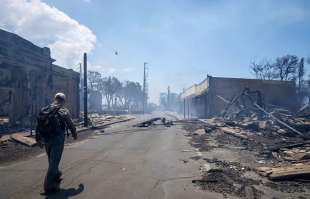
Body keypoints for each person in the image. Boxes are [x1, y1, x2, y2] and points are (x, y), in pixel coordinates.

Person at [36, 93, 77, 195]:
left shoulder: (45, 109)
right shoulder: (64, 110)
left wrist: (38, 139)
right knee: (54, 163)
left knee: (52, 161)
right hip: (58, 139)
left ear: (55, 99)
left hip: (46, 139)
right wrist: (74, 134)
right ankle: (48, 187)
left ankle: (56, 180)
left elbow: (38, 124)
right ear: (63, 100)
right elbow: (70, 124)